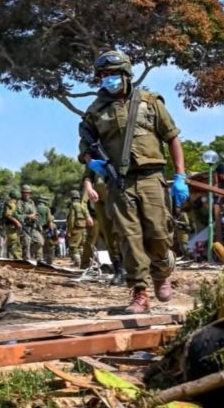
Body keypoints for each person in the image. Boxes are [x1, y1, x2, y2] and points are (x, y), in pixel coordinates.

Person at [78, 50, 187, 314]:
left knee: (158, 233)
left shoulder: (150, 102)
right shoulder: (95, 111)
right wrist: (92, 163)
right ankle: (139, 291)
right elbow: (86, 146)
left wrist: (180, 176)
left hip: (151, 177)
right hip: (118, 182)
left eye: (114, 73)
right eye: (104, 75)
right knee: (128, 237)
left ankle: (161, 272)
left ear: (126, 74)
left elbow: (172, 137)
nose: (109, 78)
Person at [82, 173, 125, 285]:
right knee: (108, 235)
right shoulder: (94, 161)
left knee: (126, 232)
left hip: (121, 195)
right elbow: (88, 175)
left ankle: (132, 268)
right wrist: (89, 188)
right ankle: (119, 269)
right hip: (100, 200)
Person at [65, 190, 92, 266]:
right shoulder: (82, 206)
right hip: (83, 229)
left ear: (71, 198)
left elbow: (71, 220)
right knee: (81, 246)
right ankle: (83, 262)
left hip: (75, 229)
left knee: (73, 246)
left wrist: (69, 231)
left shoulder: (73, 206)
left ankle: (77, 262)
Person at [15, 185, 39, 260]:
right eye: (25, 193)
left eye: (28, 193)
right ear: (22, 193)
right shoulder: (19, 202)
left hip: (32, 226)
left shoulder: (31, 202)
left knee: (40, 241)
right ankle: (26, 259)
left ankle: (30, 255)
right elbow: (17, 215)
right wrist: (28, 216)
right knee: (26, 243)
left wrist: (35, 217)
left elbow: (35, 213)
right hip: (24, 226)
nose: (27, 194)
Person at [3, 188, 23, 260]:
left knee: (12, 245)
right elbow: (8, 215)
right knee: (14, 244)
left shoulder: (10, 203)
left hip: (11, 227)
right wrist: (17, 222)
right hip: (11, 227)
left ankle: (12, 259)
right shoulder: (12, 204)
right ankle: (17, 260)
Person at [35, 195, 55, 264]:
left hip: (35, 229)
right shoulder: (46, 209)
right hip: (44, 229)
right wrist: (51, 230)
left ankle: (38, 258)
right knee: (44, 244)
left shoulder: (35, 207)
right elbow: (49, 220)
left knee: (38, 244)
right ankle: (44, 260)